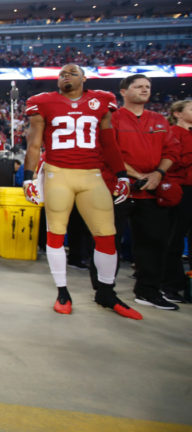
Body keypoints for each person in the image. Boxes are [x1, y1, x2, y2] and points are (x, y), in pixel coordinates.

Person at [22, 63, 141, 320]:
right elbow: (34, 143)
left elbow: (109, 142)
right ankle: (62, 291)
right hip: (57, 172)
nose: (66, 76)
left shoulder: (102, 100)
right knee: (56, 233)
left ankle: (106, 292)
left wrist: (121, 174)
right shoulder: (42, 102)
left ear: (84, 79)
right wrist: (27, 178)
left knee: (106, 235)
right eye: (62, 74)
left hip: (92, 174)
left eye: (72, 72)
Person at [100, 74, 180, 311]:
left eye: (148, 87)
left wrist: (158, 175)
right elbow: (107, 152)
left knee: (154, 243)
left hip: (152, 191)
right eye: (139, 87)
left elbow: (171, 151)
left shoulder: (159, 120)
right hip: (119, 189)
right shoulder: (111, 118)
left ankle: (148, 291)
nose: (145, 90)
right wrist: (136, 175)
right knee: (108, 242)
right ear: (124, 92)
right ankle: (105, 290)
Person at [162, 100, 192, 303]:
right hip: (181, 190)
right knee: (174, 238)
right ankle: (170, 284)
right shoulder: (172, 132)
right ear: (178, 114)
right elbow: (173, 160)